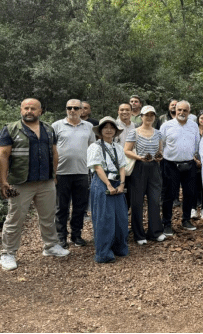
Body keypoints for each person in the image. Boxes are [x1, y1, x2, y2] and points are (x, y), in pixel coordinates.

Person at [0, 99, 70, 271]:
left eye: (33, 108)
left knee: (48, 216)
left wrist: (54, 175)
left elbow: (54, 152)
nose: (29, 111)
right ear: (21, 110)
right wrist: (3, 181)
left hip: (46, 181)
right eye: (26, 108)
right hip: (19, 183)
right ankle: (8, 253)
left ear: (40, 111)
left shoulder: (48, 129)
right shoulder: (11, 129)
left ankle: (50, 246)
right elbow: (3, 155)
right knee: (15, 218)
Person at [52, 99, 96, 248]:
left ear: (82, 110)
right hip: (61, 172)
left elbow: (92, 148)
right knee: (61, 207)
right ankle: (61, 236)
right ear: (66, 109)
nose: (72, 110)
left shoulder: (88, 127)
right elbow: (51, 149)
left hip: (82, 172)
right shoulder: (57, 126)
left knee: (79, 206)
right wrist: (53, 172)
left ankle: (76, 235)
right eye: (69, 107)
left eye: (76, 108)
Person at [87, 117, 128, 264]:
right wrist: (108, 185)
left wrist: (122, 184)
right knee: (104, 218)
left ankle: (119, 248)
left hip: (117, 181)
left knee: (120, 217)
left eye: (112, 127)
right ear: (100, 131)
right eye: (105, 127)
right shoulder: (95, 147)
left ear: (116, 131)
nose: (109, 130)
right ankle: (104, 253)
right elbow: (97, 167)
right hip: (102, 182)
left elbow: (122, 166)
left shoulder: (118, 147)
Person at [124, 106, 165, 245]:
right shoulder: (134, 132)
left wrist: (159, 156)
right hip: (139, 167)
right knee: (137, 201)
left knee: (154, 199)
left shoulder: (158, 133)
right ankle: (139, 234)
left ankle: (155, 232)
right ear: (141, 116)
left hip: (154, 168)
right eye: (146, 115)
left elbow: (160, 150)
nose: (149, 117)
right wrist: (139, 157)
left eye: (152, 115)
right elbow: (126, 150)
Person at [160, 101, 200, 235]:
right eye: (179, 110)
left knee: (189, 193)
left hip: (189, 164)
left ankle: (186, 220)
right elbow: (161, 144)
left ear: (189, 112)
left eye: (185, 110)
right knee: (169, 195)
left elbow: (197, 143)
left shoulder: (194, 126)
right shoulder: (166, 126)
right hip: (170, 164)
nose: (182, 113)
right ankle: (166, 223)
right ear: (175, 110)